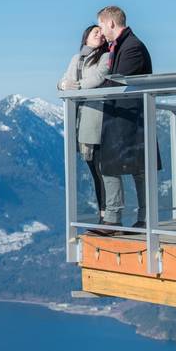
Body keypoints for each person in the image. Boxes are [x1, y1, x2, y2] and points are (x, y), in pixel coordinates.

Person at [95, 5, 154, 235]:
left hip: (130, 119)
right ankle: (119, 218)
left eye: (101, 25)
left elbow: (120, 82)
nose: (100, 31)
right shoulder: (121, 46)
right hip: (122, 118)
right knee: (112, 165)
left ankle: (140, 219)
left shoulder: (132, 48)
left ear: (110, 23)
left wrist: (98, 86)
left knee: (138, 168)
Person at [57, 24, 112, 222]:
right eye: (95, 32)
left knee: (101, 168)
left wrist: (75, 87)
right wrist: (63, 85)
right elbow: (64, 79)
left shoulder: (105, 56)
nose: (100, 35)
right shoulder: (76, 58)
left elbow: (98, 78)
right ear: (86, 36)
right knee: (93, 170)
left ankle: (108, 214)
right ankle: (102, 213)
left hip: (96, 117)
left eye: (102, 33)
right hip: (79, 118)